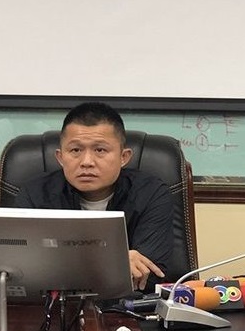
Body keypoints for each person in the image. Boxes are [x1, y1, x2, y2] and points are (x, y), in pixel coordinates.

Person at [15, 102, 172, 291]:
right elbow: (22, 268)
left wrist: (64, 265)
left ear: (124, 157)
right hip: (52, 305)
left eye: (100, 150)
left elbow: (150, 275)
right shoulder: (34, 194)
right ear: (60, 157)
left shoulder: (152, 193)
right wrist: (117, 261)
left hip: (124, 305)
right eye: (75, 150)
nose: (87, 162)